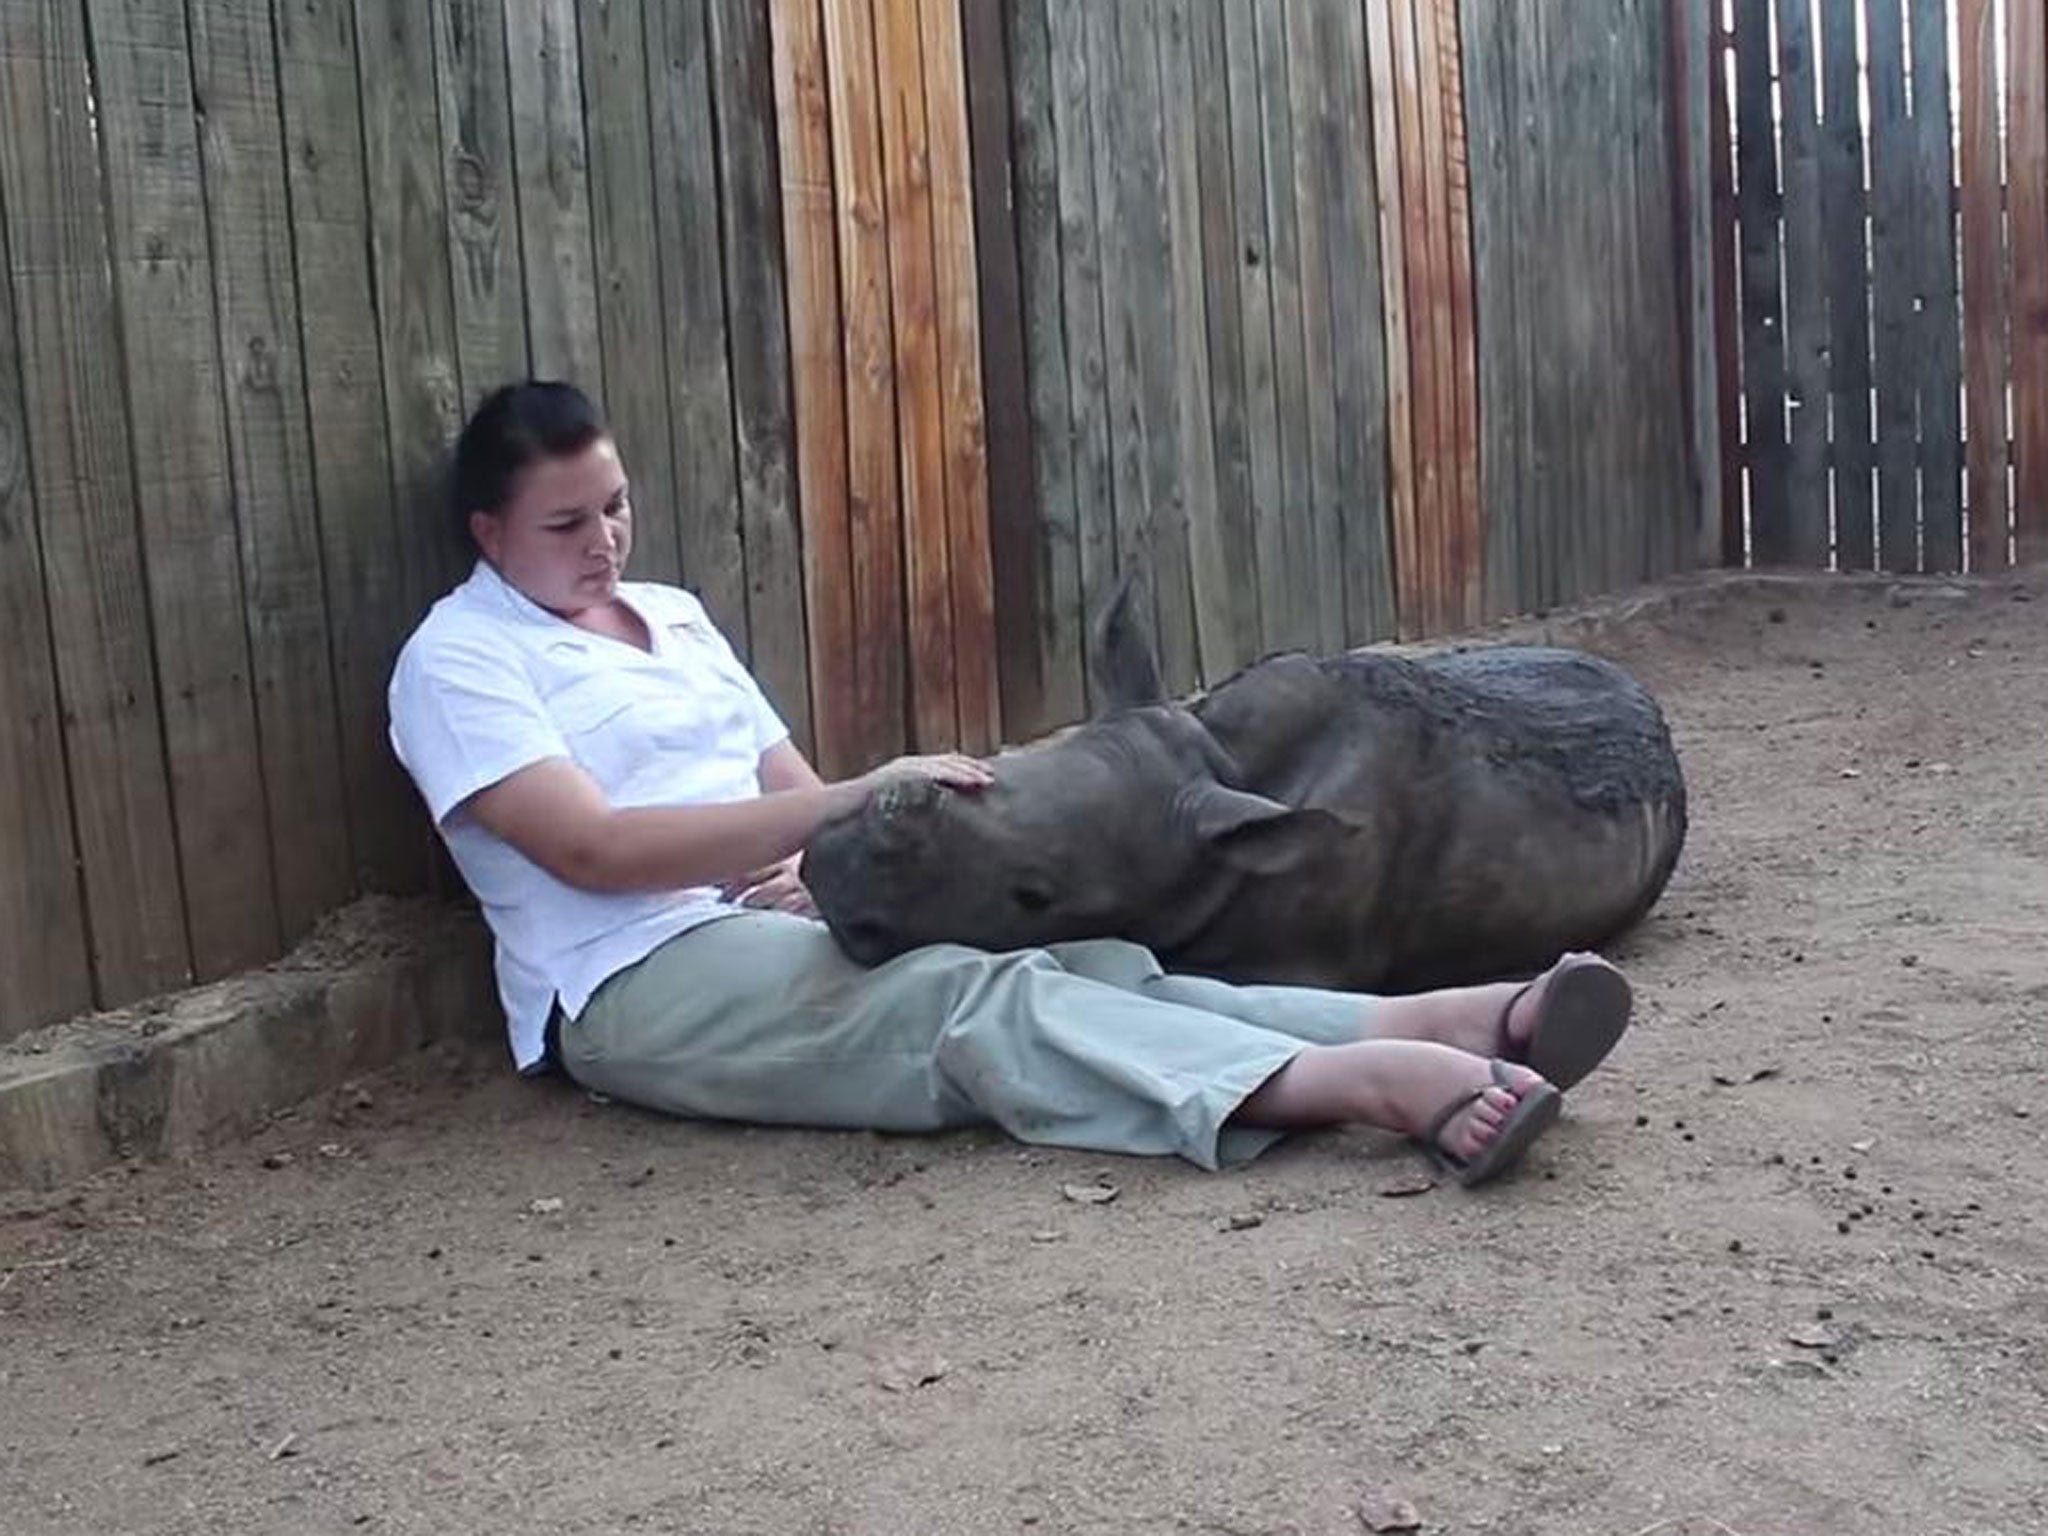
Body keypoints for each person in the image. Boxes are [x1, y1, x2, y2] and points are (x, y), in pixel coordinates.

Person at [387, 381, 1636, 1186]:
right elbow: (592, 849)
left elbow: (784, 780)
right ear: (488, 533)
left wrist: (816, 874)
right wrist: (844, 806)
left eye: (613, 508)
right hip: (630, 980)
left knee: (1079, 965)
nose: (602, 543)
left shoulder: (670, 615)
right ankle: (1349, 1085)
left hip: (765, 914)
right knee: (961, 1006)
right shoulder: (458, 660)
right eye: (564, 526)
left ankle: (1420, 1021)